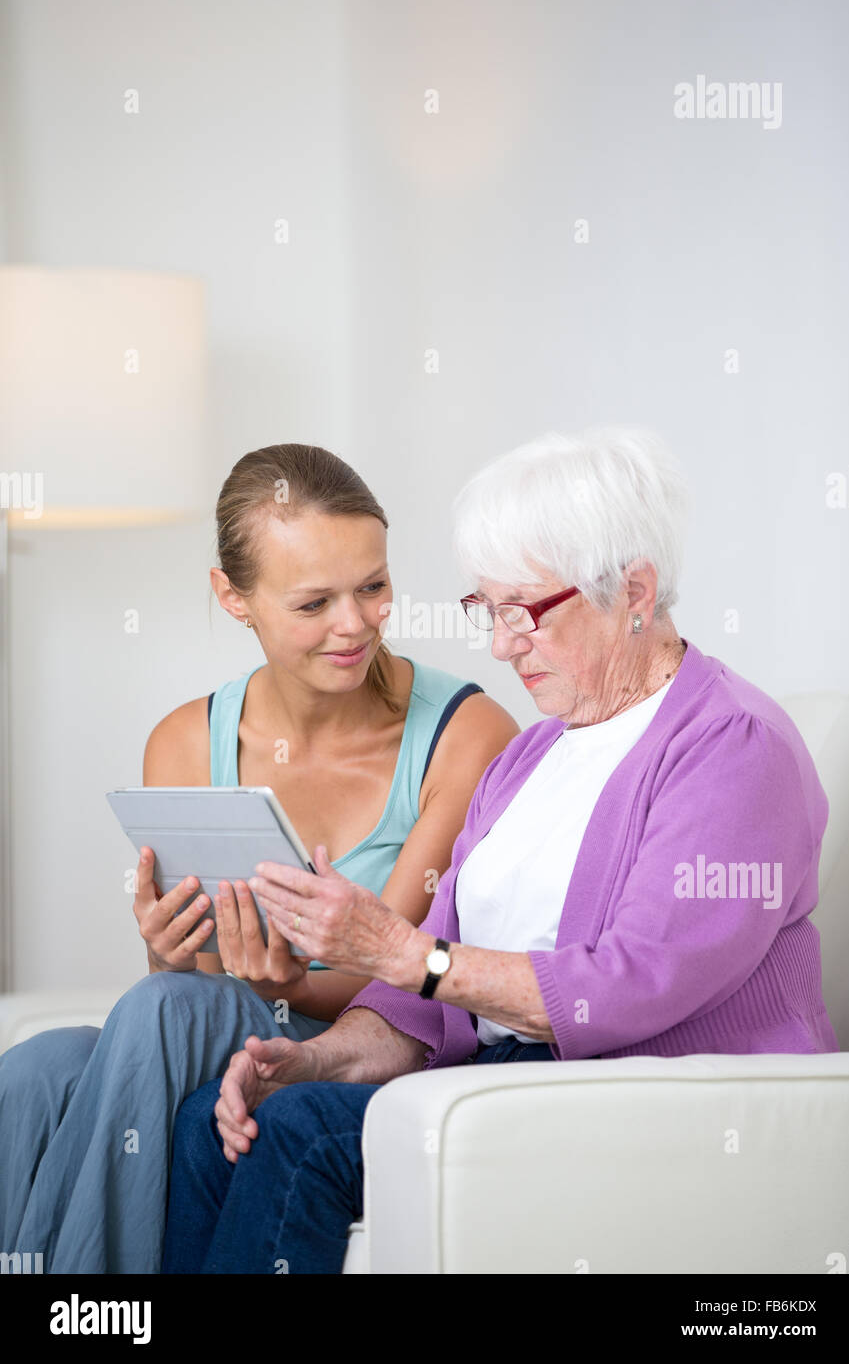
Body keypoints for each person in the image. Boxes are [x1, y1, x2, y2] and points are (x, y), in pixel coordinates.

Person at [162, 426, 839, 1275]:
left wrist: (403, 952)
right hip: (513, 1074)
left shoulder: (732, 747)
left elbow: (627, 988)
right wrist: (313, 1057)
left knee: (297, 1136)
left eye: (524, 612)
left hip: (655, 1093)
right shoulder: (531, 756)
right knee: (218, 1120)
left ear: (633, 590)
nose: (500, 645)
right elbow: (428, 1007)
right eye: (488, 610)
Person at [0, 443, 518, 1273]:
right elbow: (193, 975)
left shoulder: (466, 734)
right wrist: (167, 945)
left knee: (161, 1008)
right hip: (219, 1029)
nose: (355, 625)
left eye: (373, 587)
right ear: (231, 597)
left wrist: (286, 986)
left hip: (367, 1035)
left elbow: (407, 969)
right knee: (36, 1069)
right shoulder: (184, 739)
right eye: (314, 602)